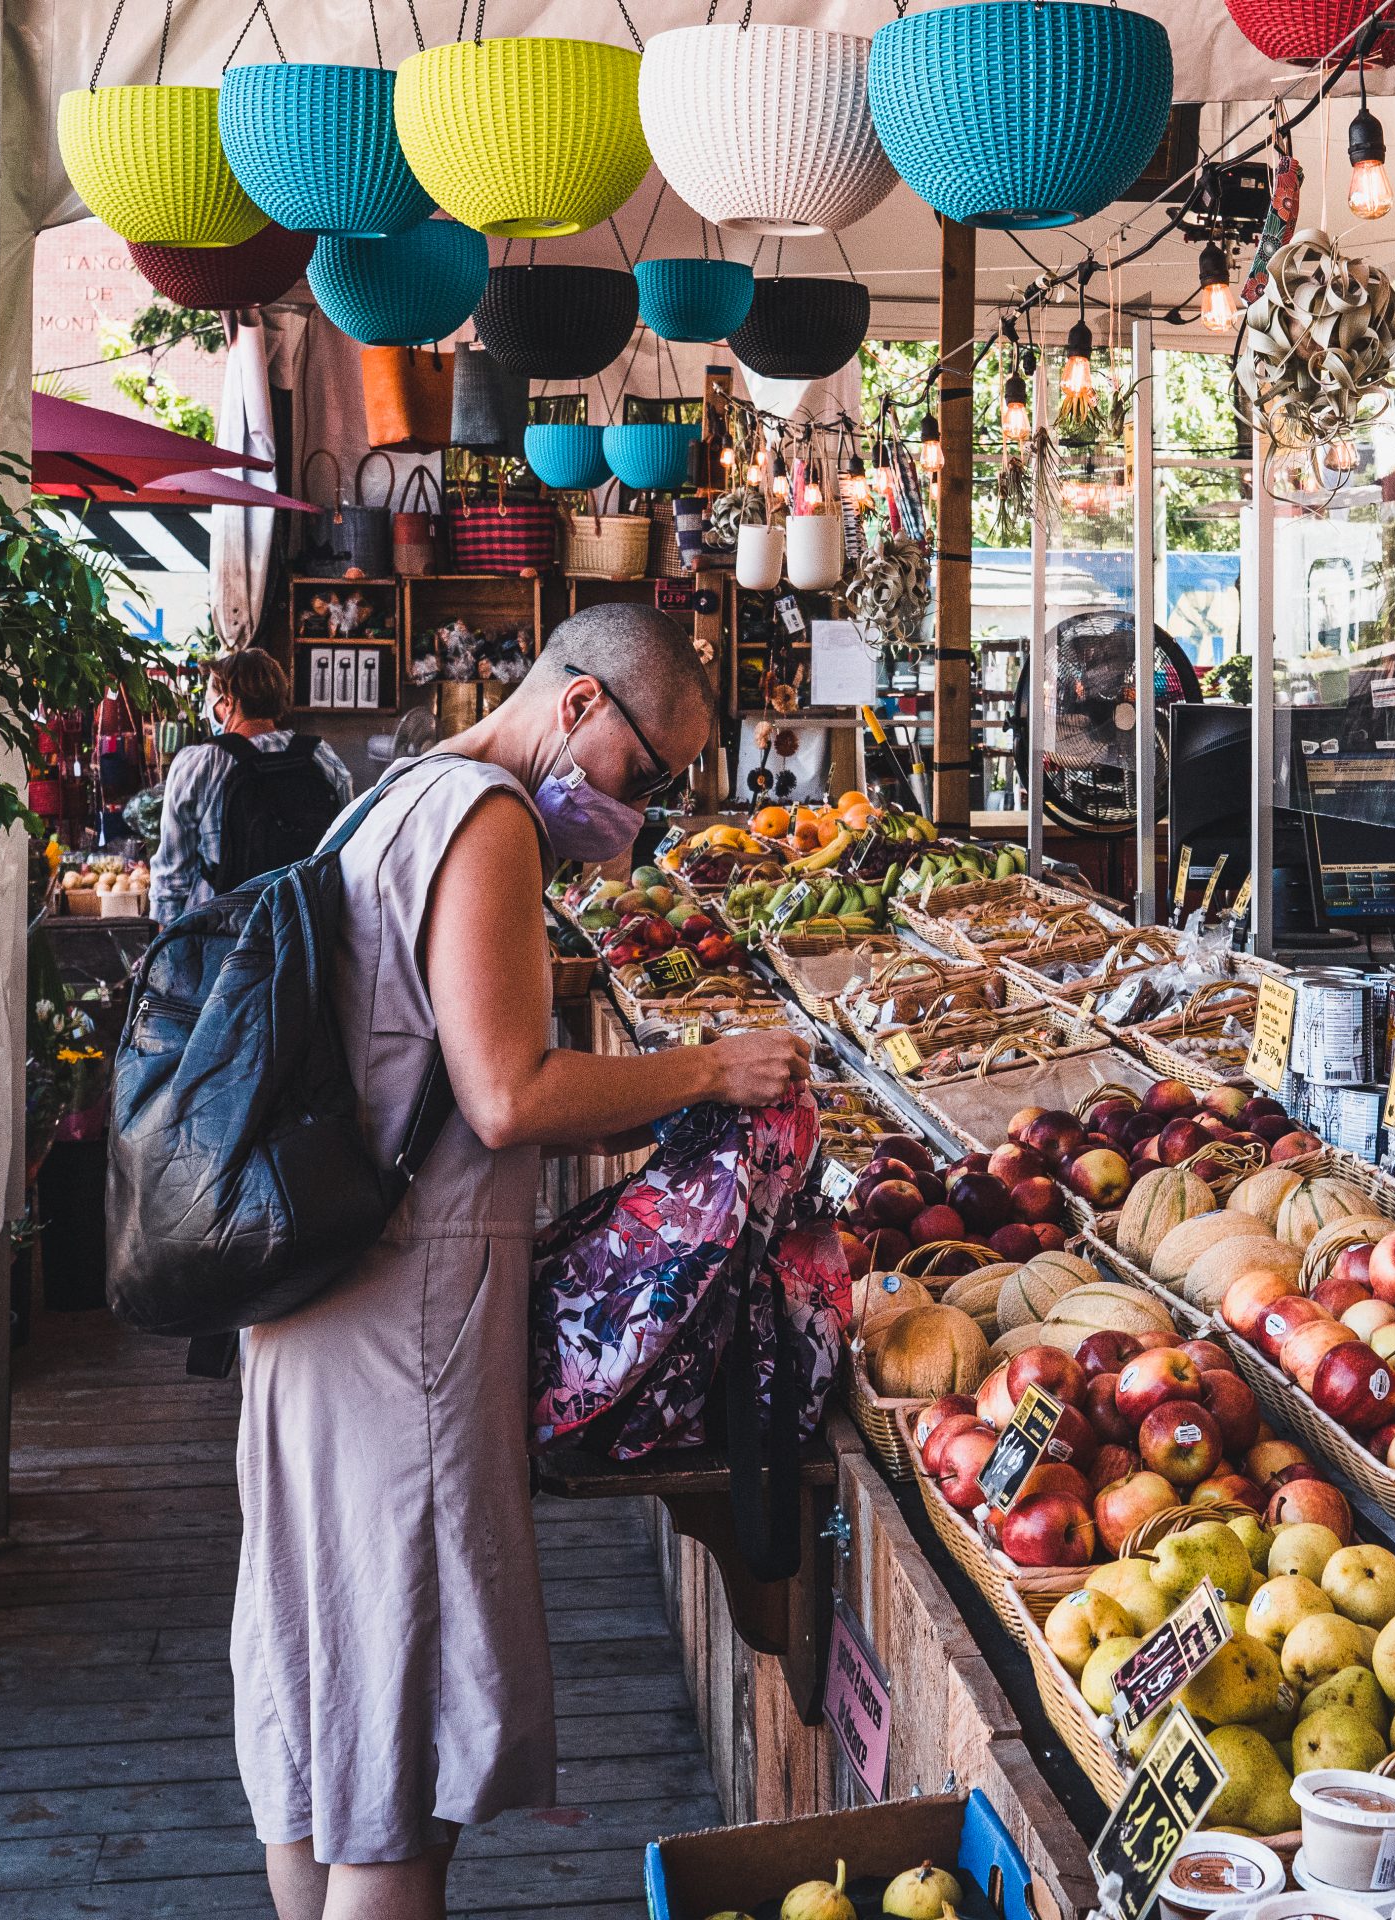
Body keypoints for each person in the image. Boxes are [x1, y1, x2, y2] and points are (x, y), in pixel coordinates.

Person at [232, 603, 812, 1920]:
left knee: (327, 1710)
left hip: (315, 1305)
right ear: (576, 707)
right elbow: (504, 1093)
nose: (643, 810)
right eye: (645, 774)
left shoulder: (387, 800)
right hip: (407, 1332)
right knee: (399, 1759)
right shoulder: (488, 822)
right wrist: (717, 1067)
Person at [148, 649, 353, 922]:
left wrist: (166, 951)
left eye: (212, 699)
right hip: (302, 927)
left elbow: (172, 876)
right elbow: (346, 850)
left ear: (229, 702)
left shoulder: (200, 764)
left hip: (223, 932)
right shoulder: (321, 756)